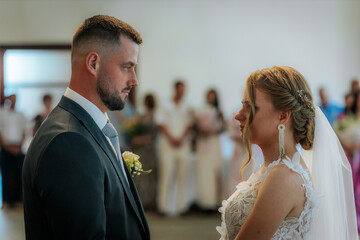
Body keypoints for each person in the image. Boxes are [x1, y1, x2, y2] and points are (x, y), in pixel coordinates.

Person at [22, 15, 150, 240]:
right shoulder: (69, 142)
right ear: (93, 63)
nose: (134, 80)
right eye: (126, 67)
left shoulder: (86, 129)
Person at [217, 66, 357, 240]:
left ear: (283, 116)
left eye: (250, 106)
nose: (238, 115)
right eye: (242, 105)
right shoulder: (274, 168)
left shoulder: (283, 176)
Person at [156, 80, 194, 216]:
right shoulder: (165, 104)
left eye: (184, 89)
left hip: (183, 145)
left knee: (183, 175)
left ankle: (182, 207)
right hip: (168, 144)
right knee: (166, 174)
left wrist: (181, 138)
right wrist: (172, 138)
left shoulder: (188, 106)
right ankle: (163, 206)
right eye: (180, 89)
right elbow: (160, 123)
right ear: (175, 89)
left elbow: (190, 124)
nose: (182, 92)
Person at [194, 88, 225, 212]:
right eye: (209, 96)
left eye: (213, 96)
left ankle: (215, 202)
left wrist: (212, 130)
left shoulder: (219, 112)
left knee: (215, 171)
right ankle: (205, 201)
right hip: (203, 143)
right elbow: (195, 127)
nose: (210, 98)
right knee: (204, 171)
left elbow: (223, 128)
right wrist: (201, 129)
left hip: (214, 143)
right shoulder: (201, 111)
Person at [131, 93, 159, 211]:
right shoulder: (141, 116)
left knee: (150, 175)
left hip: (149, 148)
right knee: (141, 174)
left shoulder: (155, 116)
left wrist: (140, 140)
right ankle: (141, 200)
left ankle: (151, 201)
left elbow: (154, 135)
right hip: (141, 150)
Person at [0, 94, 27, 208]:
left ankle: (17, 199)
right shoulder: (2, 113)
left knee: (18, 175)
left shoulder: (20, 115)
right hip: (6, 148)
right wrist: (6, 146)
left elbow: (23, 131)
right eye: (11, 99)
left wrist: (19, 146)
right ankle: (7, 200)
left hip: (17, 148)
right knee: (6, 174)